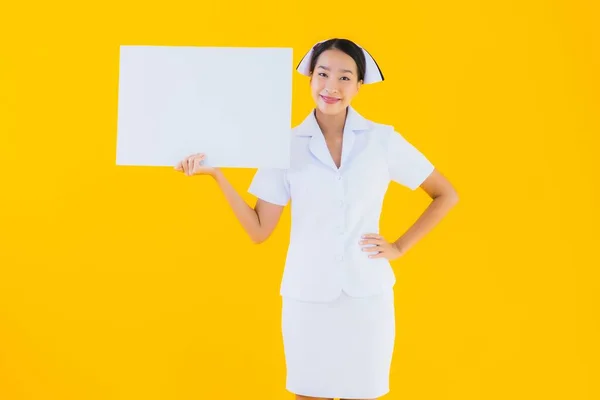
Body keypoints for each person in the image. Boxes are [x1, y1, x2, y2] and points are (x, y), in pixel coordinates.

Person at [175, 38, 459, 400]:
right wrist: (217, 175)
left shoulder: (382, 140)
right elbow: (259, 230)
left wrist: (400, 246)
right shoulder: (285, 145)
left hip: (367, 297)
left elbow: (445, 194)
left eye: (344, 77)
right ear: (310, 77)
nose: (331, 87)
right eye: (323, 74)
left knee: (364, 394)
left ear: (359, 85)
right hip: (306, 298)